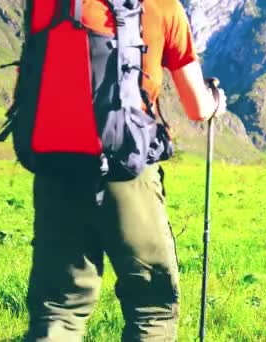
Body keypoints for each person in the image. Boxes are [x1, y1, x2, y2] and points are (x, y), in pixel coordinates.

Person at [24, 0, 226, 340]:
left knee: (58, 308)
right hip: (127, 174)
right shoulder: (162, 7)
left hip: (56, 169)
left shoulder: (48, 3)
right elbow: (197, 107)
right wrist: (216, 102)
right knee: (152, 308)